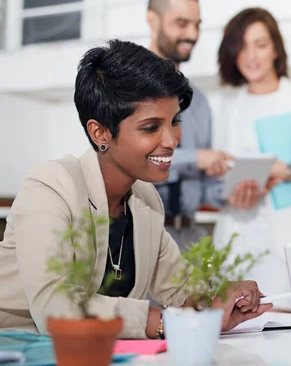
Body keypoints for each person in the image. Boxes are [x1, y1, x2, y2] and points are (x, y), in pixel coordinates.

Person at [0, 40, 272, 338]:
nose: (171, 140)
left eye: (174, 122)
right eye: (151, 127)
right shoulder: (51, 187)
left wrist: (220, 302)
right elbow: (54, 309)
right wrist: (166, 322)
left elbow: (182, 290)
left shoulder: (145, 200)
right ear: (100, 132)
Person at [211, 8, 291, 305]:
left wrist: (284, 170)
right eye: (242, 47)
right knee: (238, 332)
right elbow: (218, 176)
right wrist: (231, 193)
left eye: (260, 44)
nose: (251, 56)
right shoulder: (228, 106)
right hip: (240, 236)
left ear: (275, 49)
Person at [146, 0, 260, 248]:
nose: (192, 34)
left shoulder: (199, 103)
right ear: (153, 20)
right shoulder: (126, 86)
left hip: (189, 239)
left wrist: (233, 191)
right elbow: (128, 160)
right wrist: (197, 158)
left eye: (197, 25)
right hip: (137, 235)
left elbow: (205, 187)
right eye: (182, 23)